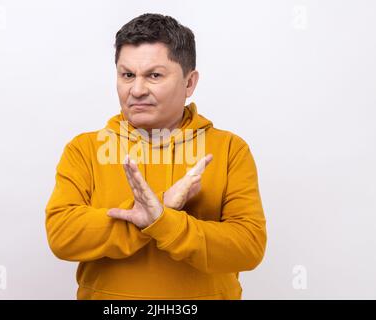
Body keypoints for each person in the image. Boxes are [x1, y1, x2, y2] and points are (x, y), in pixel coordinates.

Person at [45, 13, 267, 300]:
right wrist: (154, 211)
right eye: (127, 75)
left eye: (154, 75)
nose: (136, 90)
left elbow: (247, 248)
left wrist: (161, 220)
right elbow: (63, 237)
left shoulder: (229, 149)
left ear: (189, 83)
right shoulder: (84, 149)